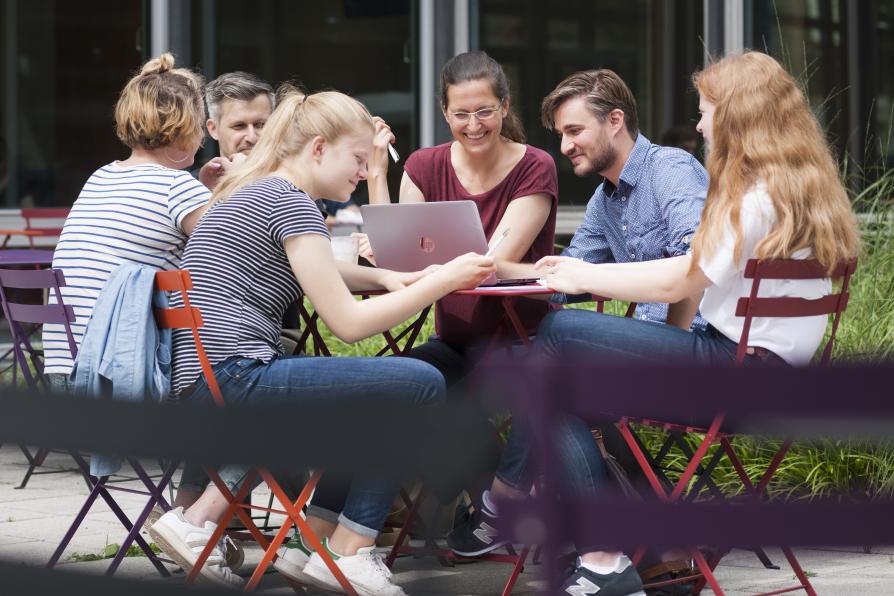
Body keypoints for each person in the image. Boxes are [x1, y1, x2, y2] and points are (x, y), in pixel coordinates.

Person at [492, 51, 862, 596]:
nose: (698, 123)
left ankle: (578, 538)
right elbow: (684, 269)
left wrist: (582, 278)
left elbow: (677, 282)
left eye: (706, 109)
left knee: (559, 337)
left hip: (730, 376)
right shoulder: (798, 193)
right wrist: (581, 271)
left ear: (737, 116)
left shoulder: (752, 201)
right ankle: (632, 549)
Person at [149, 87, 496, 594]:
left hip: (205, 377)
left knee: (373, 393)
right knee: (418, 382)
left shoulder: (258, 189)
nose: (362, 171)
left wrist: (385, 279)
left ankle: (305, 539)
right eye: (357, 159)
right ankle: (349, 551)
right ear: (317, 148)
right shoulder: (293, 205)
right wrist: (440, 281)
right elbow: (348, 325)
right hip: (238, 377)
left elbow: (317, 269)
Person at [446, 67, 709, 577]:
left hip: (691, 350)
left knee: (556, 344)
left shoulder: (671, 169)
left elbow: (694, 264)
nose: (565, 146)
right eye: (560, 135)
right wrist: (490, 265)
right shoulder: (605, 199)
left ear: (615, 121)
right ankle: (625, 553)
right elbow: (563, 278)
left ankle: (504, 501)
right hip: (648, 349)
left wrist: (665, 343)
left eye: (573, 131)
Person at [365, 50, 558, 386]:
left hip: (523, 343)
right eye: (461, 114)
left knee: (456, 402)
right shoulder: (423, 166)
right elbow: (397, 261)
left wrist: (427, 262)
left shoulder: (535, 166)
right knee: (393, 386)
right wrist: (376, 173)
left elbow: (489, 266)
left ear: (505, 107)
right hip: (454, 345)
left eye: (484, 111)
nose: (473, 125)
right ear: (445, 113)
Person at [42, 54, 212, 384]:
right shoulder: (177, 187)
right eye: (201, 124)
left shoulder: (102, 176)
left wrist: (201, 189)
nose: (204, 137)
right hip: (118, 371)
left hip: (63, 366)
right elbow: (238, 250)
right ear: (184, 127)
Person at [199, 71, 275, 186]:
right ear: (213, 129)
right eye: (239, 126)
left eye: (260, 125)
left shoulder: (297, 188)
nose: (252, 137)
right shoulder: (191, 193)